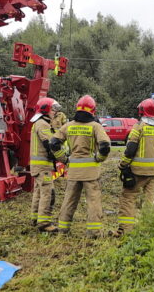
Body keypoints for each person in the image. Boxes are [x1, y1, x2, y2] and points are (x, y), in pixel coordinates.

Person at [50, 95, 111, 237]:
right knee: (93, 202)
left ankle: (63, 229)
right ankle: (94, 232)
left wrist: (63, 159)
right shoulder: (95, 127)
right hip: (91, 173)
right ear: (93, 110)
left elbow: (53, 143)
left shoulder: (69, 126)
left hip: (73, 172)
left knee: (69, 200)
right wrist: (99, 158)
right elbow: (105, 146)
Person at [112, 98, 154, 237]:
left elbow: (130, 149)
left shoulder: (139, 127)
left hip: (137, 171)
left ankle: (125, 230)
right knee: (150, 201)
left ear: (142, 111)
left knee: (128, 198)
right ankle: (148, 230)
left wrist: (123, 164)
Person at [28, 97, 59, 233]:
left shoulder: (38, 123)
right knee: (48, 193)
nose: (55, 112)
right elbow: (50, 144)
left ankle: (35, 218)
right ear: (45, 109)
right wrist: (63, 157)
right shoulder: (43, 124)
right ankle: (44, 223)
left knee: (39, 193)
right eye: (53, 109)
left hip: (38, 166)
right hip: (43, 167)